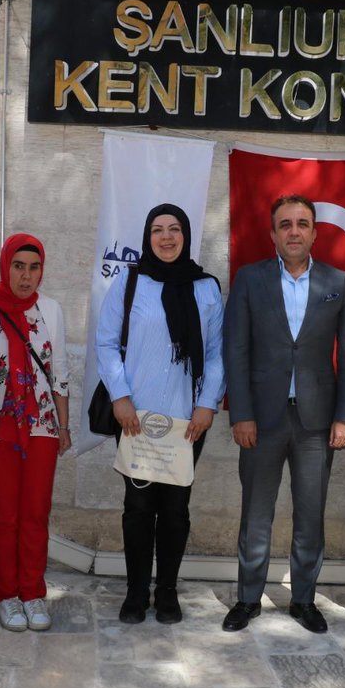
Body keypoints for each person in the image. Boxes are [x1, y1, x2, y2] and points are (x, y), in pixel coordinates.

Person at [222, 195, 345, 634]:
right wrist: (241, 413)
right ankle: (248, 599)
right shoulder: (250, 279)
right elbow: (235, 349)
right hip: (261, 419)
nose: (294, 231)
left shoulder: (339, 282)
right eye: (285, 224)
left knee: (310, 515)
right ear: (273, 234)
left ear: (315, 233)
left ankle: (303, 600)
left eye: (302, 223)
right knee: (255, 514)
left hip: (317, 423)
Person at [98, 204, 225, 625]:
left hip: (187, 422)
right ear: (147, 236)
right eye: (157, 230)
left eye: (174, 229)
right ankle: (136, 592)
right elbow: (105, 343)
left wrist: (207, 404)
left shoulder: (206, 288)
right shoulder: (130, 281)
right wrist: (120, 397)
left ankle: (167, 591)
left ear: (186, 235)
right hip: (135, 419)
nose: (166, 237)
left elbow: (217, 353)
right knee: (137, 508)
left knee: (175, 510)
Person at [0, 234, 70, 633]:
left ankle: (33, 593)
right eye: (18, 266)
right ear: (4, 266)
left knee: (35, 513)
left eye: (34, 268)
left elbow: (59, 372)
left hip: (40, 424)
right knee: (3, 517)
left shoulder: (51, 310)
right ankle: (7, 596)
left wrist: (63, 426)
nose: (26, 277)